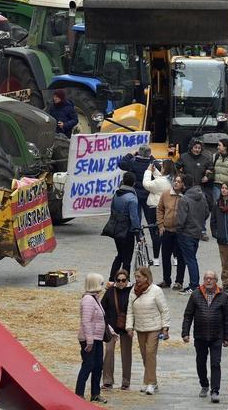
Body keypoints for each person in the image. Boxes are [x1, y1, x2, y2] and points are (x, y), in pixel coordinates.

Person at [183, 270, 228, 403]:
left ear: (216, 281)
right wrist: (185, 333)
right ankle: (204, 384)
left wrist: (227, 337)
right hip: (200, 336)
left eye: (211, 279)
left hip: (217, 336)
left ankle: (215, 390)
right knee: (200, 362)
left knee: (215, 363)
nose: (209, 281)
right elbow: (188, 315)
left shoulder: (223, 296)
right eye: (206, 278)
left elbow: (227, 318)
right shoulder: (195, 295)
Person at [125, 266, 171, 396]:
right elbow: (130, 310)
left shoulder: (156, 291)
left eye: (139, 277)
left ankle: (149, 382)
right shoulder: (133, 291)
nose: (137, 279)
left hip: (154, 328)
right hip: (140, 328)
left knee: (150, 353)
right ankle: (152, 381)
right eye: (136, 277)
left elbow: (164, 310)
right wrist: (129, 327)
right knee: (145, 355)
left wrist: (165, 327)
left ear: (146, 277)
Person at [121, 143, 159, 259]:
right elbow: (160, 167)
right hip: (148, 197)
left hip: (136, 195)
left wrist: (130, 154)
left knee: (136, 220)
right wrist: (151, 157)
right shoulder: (152, 164)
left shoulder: (132, 162)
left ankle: (140, 240)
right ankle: (156, 248)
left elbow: (121, 164)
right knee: (152, 222)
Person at [77, 273, 110, 403]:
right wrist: (89, 340)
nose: (102, 285)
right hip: (89, 339)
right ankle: (79, 394)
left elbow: (101, 319)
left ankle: (95, 394)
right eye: (101, 283)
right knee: (88, 365)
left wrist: (111, 331)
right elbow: (86, 322)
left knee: (98, 366)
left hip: (97, 338)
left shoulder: (95, 298)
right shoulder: (88, 300)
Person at [101, 269, 135, 390]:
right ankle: (107, 380)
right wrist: (106, 324)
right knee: (109, 352)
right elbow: (102, 308)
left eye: (123, 280)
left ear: (127, 280)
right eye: (118, 280)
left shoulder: (132, 292)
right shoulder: (110, 291)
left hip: (126, 327)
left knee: (126, 354)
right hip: (111, 327)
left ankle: (126, 382)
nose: (121, 283)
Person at [175, 176, 209, 292]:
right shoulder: (202, 196)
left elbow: (181, 219)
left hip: (186, 233)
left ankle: (194, 285)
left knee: (190, 260)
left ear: (184, 185)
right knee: (192, 259)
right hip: (197, 232)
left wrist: (178, 230)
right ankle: (193, 284)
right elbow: (206, 213)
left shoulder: (184, 199)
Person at [109, 172, 143, 277]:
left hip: (116, 229)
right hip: (127, 231)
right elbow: (134, 217)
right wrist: (139, 233)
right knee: (127, 258)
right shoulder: (132, 198)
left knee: (120, 255)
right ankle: (125, 281)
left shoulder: (116, 194)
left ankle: (112, 278)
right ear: (133, 183)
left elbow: (112, 210)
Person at [144, 159, 174, 271]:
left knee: (155, 234)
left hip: (155, 208)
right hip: (166, 208)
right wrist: (154, 170)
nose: (161, 168)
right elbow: (160, 178)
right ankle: (174, 258)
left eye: (162, 166)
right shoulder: (172, 179)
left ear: (165, 168)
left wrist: (148, 172)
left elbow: (147, 184)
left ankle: (156, 258)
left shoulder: (161, 182)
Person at [158, 173, 185, 288]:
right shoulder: (166, 194)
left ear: (183, 184)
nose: (176, 183)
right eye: (175, 181)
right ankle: (166, 280)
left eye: (179, 181)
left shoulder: (185, 196)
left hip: (180, 232)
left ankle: (179, 281)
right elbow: (160, 209)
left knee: (181, 257)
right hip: (167, 230)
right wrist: (161, 225)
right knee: (165, 256)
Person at [178, 139, 216, 221]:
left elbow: (212, 171)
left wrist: (207, 177)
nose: (197, 150)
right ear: (191, 148)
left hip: (200, 189)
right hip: (186, 189)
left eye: (199, 148)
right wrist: (181, 177)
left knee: (201, 210)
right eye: (195, 147)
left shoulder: (205, 158)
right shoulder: (184, 157)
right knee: (187, 209)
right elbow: (175, 167)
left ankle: (203, 230)